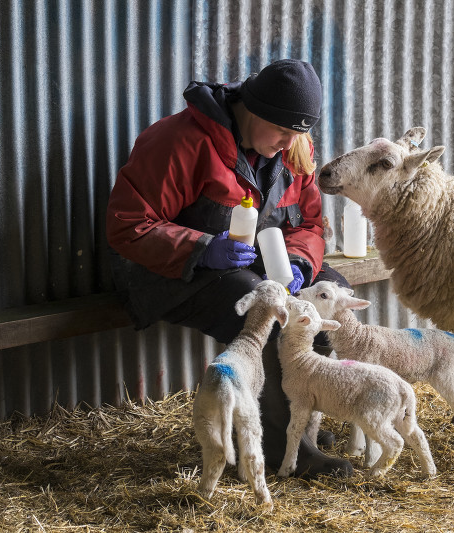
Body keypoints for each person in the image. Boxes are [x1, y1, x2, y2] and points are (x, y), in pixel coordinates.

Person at [106, 59, 353, 478]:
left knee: (333, 300)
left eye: (300, 134)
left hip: (255, 267)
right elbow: (127, 225)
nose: (292, 143)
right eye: (283, 132)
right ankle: (277, 449)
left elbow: (309, 224)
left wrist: (298, 261)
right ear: (252, 111)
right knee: (273, 315)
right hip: (172, 274)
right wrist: (202, 247)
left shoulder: (292, 144)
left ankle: (302, 426)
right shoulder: (180, 141)